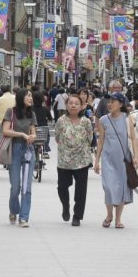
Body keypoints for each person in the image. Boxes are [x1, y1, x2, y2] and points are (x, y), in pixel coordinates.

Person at [94, 92, 138, 229]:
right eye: (109, 101)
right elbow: (100, 141)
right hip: (108, 159)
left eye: (113, 101)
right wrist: (97, 160)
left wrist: (136, 156)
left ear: (120, 104)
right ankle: (109, 215)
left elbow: (133, 137)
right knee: (108, 187)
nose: (110, 104)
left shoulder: (127, 118)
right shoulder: (103, 120)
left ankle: (118, 219)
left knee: (121, 188)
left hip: (123, 159)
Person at [1, 89, 38, 227]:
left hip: (28, 150)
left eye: (31, 95)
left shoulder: (32, 114)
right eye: (28, 95)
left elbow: (33, 132)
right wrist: (22, 135)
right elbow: (5, 131)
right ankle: (13, 210)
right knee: (15, 186)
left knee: (27, 187)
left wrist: (32, 137)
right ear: (21, 97)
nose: (31, 97)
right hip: (15, 149)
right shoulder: (11, 112)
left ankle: (24, 218)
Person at [55, 94, 93, 227]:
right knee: (62, 187)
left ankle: (77, 216)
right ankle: (65, 206)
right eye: (70, 103)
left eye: (76, 103)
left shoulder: (86, 122)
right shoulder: (61, 120)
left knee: (81, 190)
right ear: (66, 105)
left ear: (82, 106)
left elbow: (90, 138)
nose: (73, 105)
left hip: (82, 160)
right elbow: (57, 137)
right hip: (64, 160)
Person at [32, 91, 53, 156]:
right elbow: (50, 119)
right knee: (47, 135)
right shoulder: (45, 109)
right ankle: (45, 148)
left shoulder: (30, 109)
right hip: (43, 131)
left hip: (33, 131)